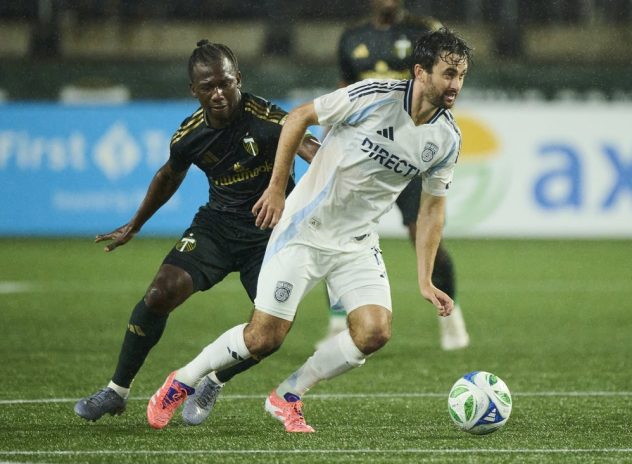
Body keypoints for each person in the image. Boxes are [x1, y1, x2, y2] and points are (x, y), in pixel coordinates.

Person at [146, 28, 472, 433]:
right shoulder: (373, 96)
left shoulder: (446, 138)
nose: (456, 85)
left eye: (461, 76)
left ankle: (288, 394)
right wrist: (276, 188)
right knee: (264, 338)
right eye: (448, 74)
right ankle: (183, 380)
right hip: (305, 228)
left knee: (374, 332)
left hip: (357, 241)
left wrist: (425, 278)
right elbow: (298, 116)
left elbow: (433, 208)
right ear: (421, 72)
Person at [73, 40, 319, 424]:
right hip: (217, 228)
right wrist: (136, 223)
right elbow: (169, 175)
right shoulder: (190, 135)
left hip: (270, 236)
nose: (218, 93)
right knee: (159, 293)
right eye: (208, 86)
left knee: (269, 334)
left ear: (239, 79)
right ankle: (116, 391)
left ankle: (214, 379)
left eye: (225, 83)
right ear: (194, 90)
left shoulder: (267, 118)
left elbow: (309, 147)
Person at [321, 0, 469, 351]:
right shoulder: (352, 36)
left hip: (408, 153)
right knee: (334, 234)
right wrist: (328, 144)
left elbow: (443, 86)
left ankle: (451, 317)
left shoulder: (425, 30)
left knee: (425, 235)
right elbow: (344, 88)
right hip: (361, 152)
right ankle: (337, 322)